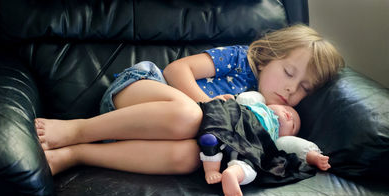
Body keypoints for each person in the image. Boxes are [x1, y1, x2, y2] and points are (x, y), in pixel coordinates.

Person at [34, 24, 344, 176]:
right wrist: (203, 104)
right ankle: (76, 129)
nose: (292, 91)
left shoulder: (263, 116)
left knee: (190, 157)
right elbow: (176, 69)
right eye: (289, 73)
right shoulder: (239, 60)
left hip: (148, 138)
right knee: (190, 115)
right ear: (267, 57)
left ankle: (77, 154)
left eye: (304, 88)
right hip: (142, 93)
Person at [198, 91, 330, 196]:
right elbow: (247, 98)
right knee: (219, 109)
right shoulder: (258, 106)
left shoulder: (278, 140)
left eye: (293, 125)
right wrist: (230, 98)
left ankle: (233, 174)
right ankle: (211, 167)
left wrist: (314, 157)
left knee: (254, 164)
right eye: (286, 109)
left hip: (252, 143)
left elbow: (298, 146)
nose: (289, 115)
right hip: (237, 119)